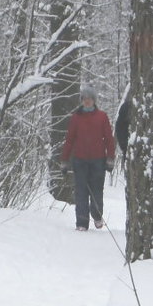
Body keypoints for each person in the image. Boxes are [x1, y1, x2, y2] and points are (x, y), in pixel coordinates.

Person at [60, 85, 116, 231]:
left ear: (94, 100)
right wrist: (64, 160)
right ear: (81, 100)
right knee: (81, 192)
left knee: (97, 191)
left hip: (98, 160)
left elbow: (109, 139)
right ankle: (82, 223)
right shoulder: (76, 118)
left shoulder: (102, 117)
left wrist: (110, 158)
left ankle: (97, 216)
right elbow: (70, 140)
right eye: (84, 99)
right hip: (80, 160)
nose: (87, 101)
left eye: (90, 99)